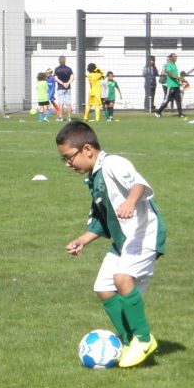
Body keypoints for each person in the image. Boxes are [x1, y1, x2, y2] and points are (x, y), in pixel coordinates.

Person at [57, 121, 165, 369]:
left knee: (121, 279)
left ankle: (144, 339)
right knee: (103, 288)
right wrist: (82, 240)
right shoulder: (94, 179)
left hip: (143, 234)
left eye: (69, 157)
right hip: (123, 240)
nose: (67, 164)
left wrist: (130, 202)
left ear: (87, 149)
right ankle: (128, 340)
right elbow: (101, 220)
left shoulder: (113, 163)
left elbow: (138, 184)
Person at [154, 53, 182, 117]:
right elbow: (170, 75)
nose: (176, 58)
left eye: (176, 56)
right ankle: (158, 112)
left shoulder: (174, 64)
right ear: (171, 58)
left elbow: (175, 74)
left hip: (176, 86)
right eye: (174, 57)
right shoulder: (168, 65)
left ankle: (180, 114)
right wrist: (178, 78)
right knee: (167, 100)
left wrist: (179, 81)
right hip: (171, 86)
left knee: (178, 100)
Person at [54, 55, 74, 122]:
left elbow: (56, 78)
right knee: (68, 103)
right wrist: (67, 83)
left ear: (59, 61)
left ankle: (60, 117)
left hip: (60, 88)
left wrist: (63, 83)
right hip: (68, 88)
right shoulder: (69, 69)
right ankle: (69, 117)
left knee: (61, 103)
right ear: (65, 60)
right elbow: (72, 77)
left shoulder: (57, 69)